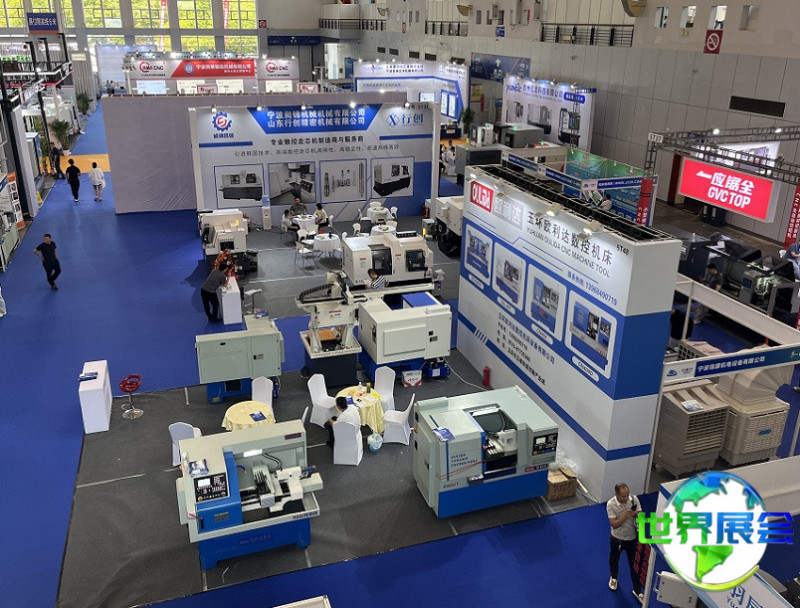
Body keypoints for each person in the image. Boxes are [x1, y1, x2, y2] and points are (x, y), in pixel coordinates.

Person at [607, 483, 643, 602]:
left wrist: (637, 515)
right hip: (617, 538)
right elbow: (614, 524)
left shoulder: (634, 500)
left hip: (632, 539)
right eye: (623, 496)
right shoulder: (611, 504)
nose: (627, 498)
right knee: (614, 559)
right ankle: (614, 578)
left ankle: (637, 590)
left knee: (634, 566)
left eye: (627, 495)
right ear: (616, 494)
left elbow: (640, 515)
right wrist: (626, 515)